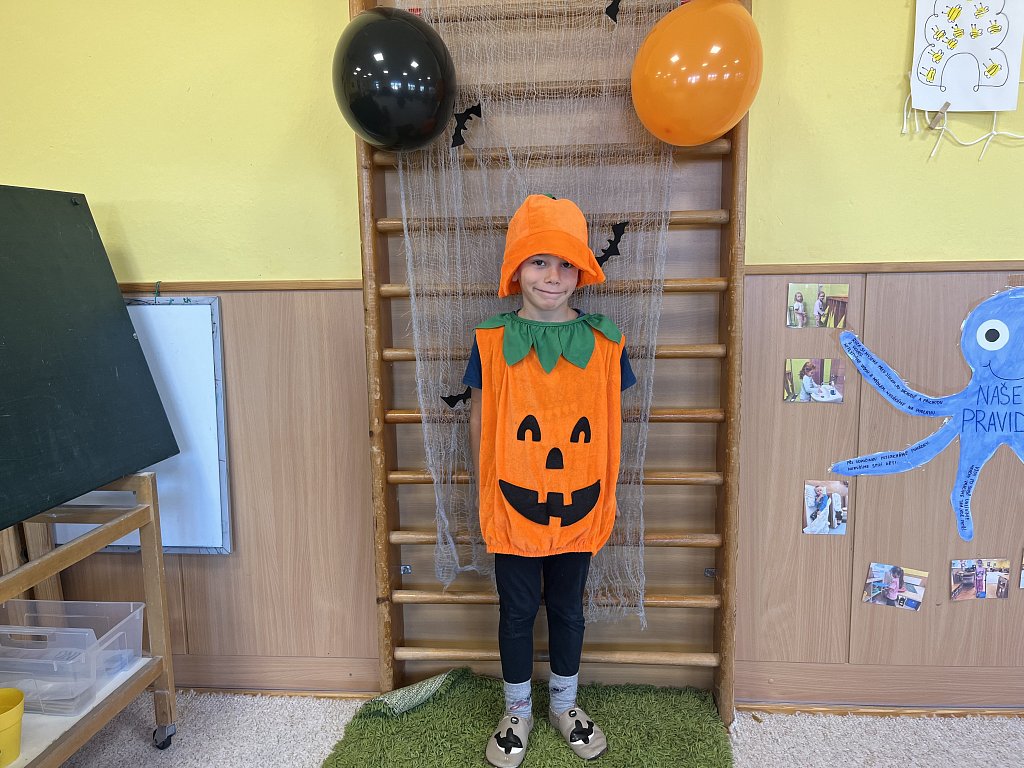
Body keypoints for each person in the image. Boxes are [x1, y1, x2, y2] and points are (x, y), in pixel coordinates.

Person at [464, 195, 635, 767]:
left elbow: (607, 422)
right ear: (516, 268)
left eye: (565, 264)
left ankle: (564, 703)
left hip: (579, 499)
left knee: (568, 608)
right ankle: (517, 710)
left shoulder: (606, 342)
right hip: (514, 498)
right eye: (539, 261)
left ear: (582, 271)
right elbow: (479, 417)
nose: (552, 276)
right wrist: (487, 488)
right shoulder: (491, 340)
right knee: (515, 610)